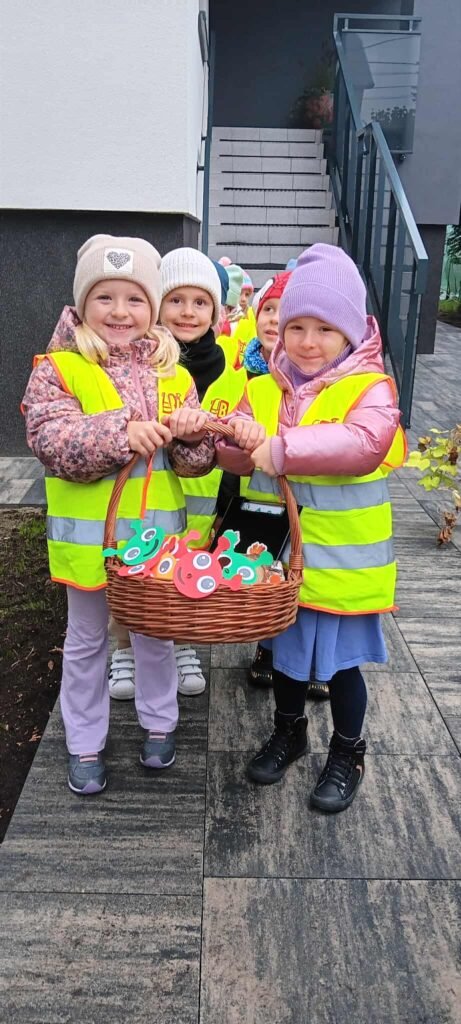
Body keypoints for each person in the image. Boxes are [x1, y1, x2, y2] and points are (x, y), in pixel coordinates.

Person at [213, 243, 405, 813]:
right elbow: (234, 451)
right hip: (280, 562)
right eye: (296, 326)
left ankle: (348, 750)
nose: (307, 340)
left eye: (325, 328)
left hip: (344, 563)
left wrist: (280, 448)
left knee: (342, 668)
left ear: (350, 333)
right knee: (288, 657)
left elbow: (364, 444)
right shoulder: (263, 387)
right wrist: (232, 441)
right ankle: (289, 730)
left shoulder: (370, 388)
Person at [22, 234, 214, 795]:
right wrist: (120, 433)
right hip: (89, 546)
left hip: (155, 543)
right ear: (83, 303)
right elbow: (51, 439)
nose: (120, 311)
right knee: (87, 640)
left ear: (151, 307)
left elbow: (194, 464)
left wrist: (193, 437)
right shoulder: (58, 369)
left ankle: (160, 723)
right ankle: (85, 741)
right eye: (104, 297)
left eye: (134, 299)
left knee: (155, 635)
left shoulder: (174, 374)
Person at [159, 247, 247, 695]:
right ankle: (127, 645)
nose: (188, 312)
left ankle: (182, 642)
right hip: (152, 497)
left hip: (210, 498)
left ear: (216, 310)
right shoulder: (143, 364)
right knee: (142, 567)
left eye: (200, 302)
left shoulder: (232, 368)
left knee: (190, 568)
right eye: (175, 300)